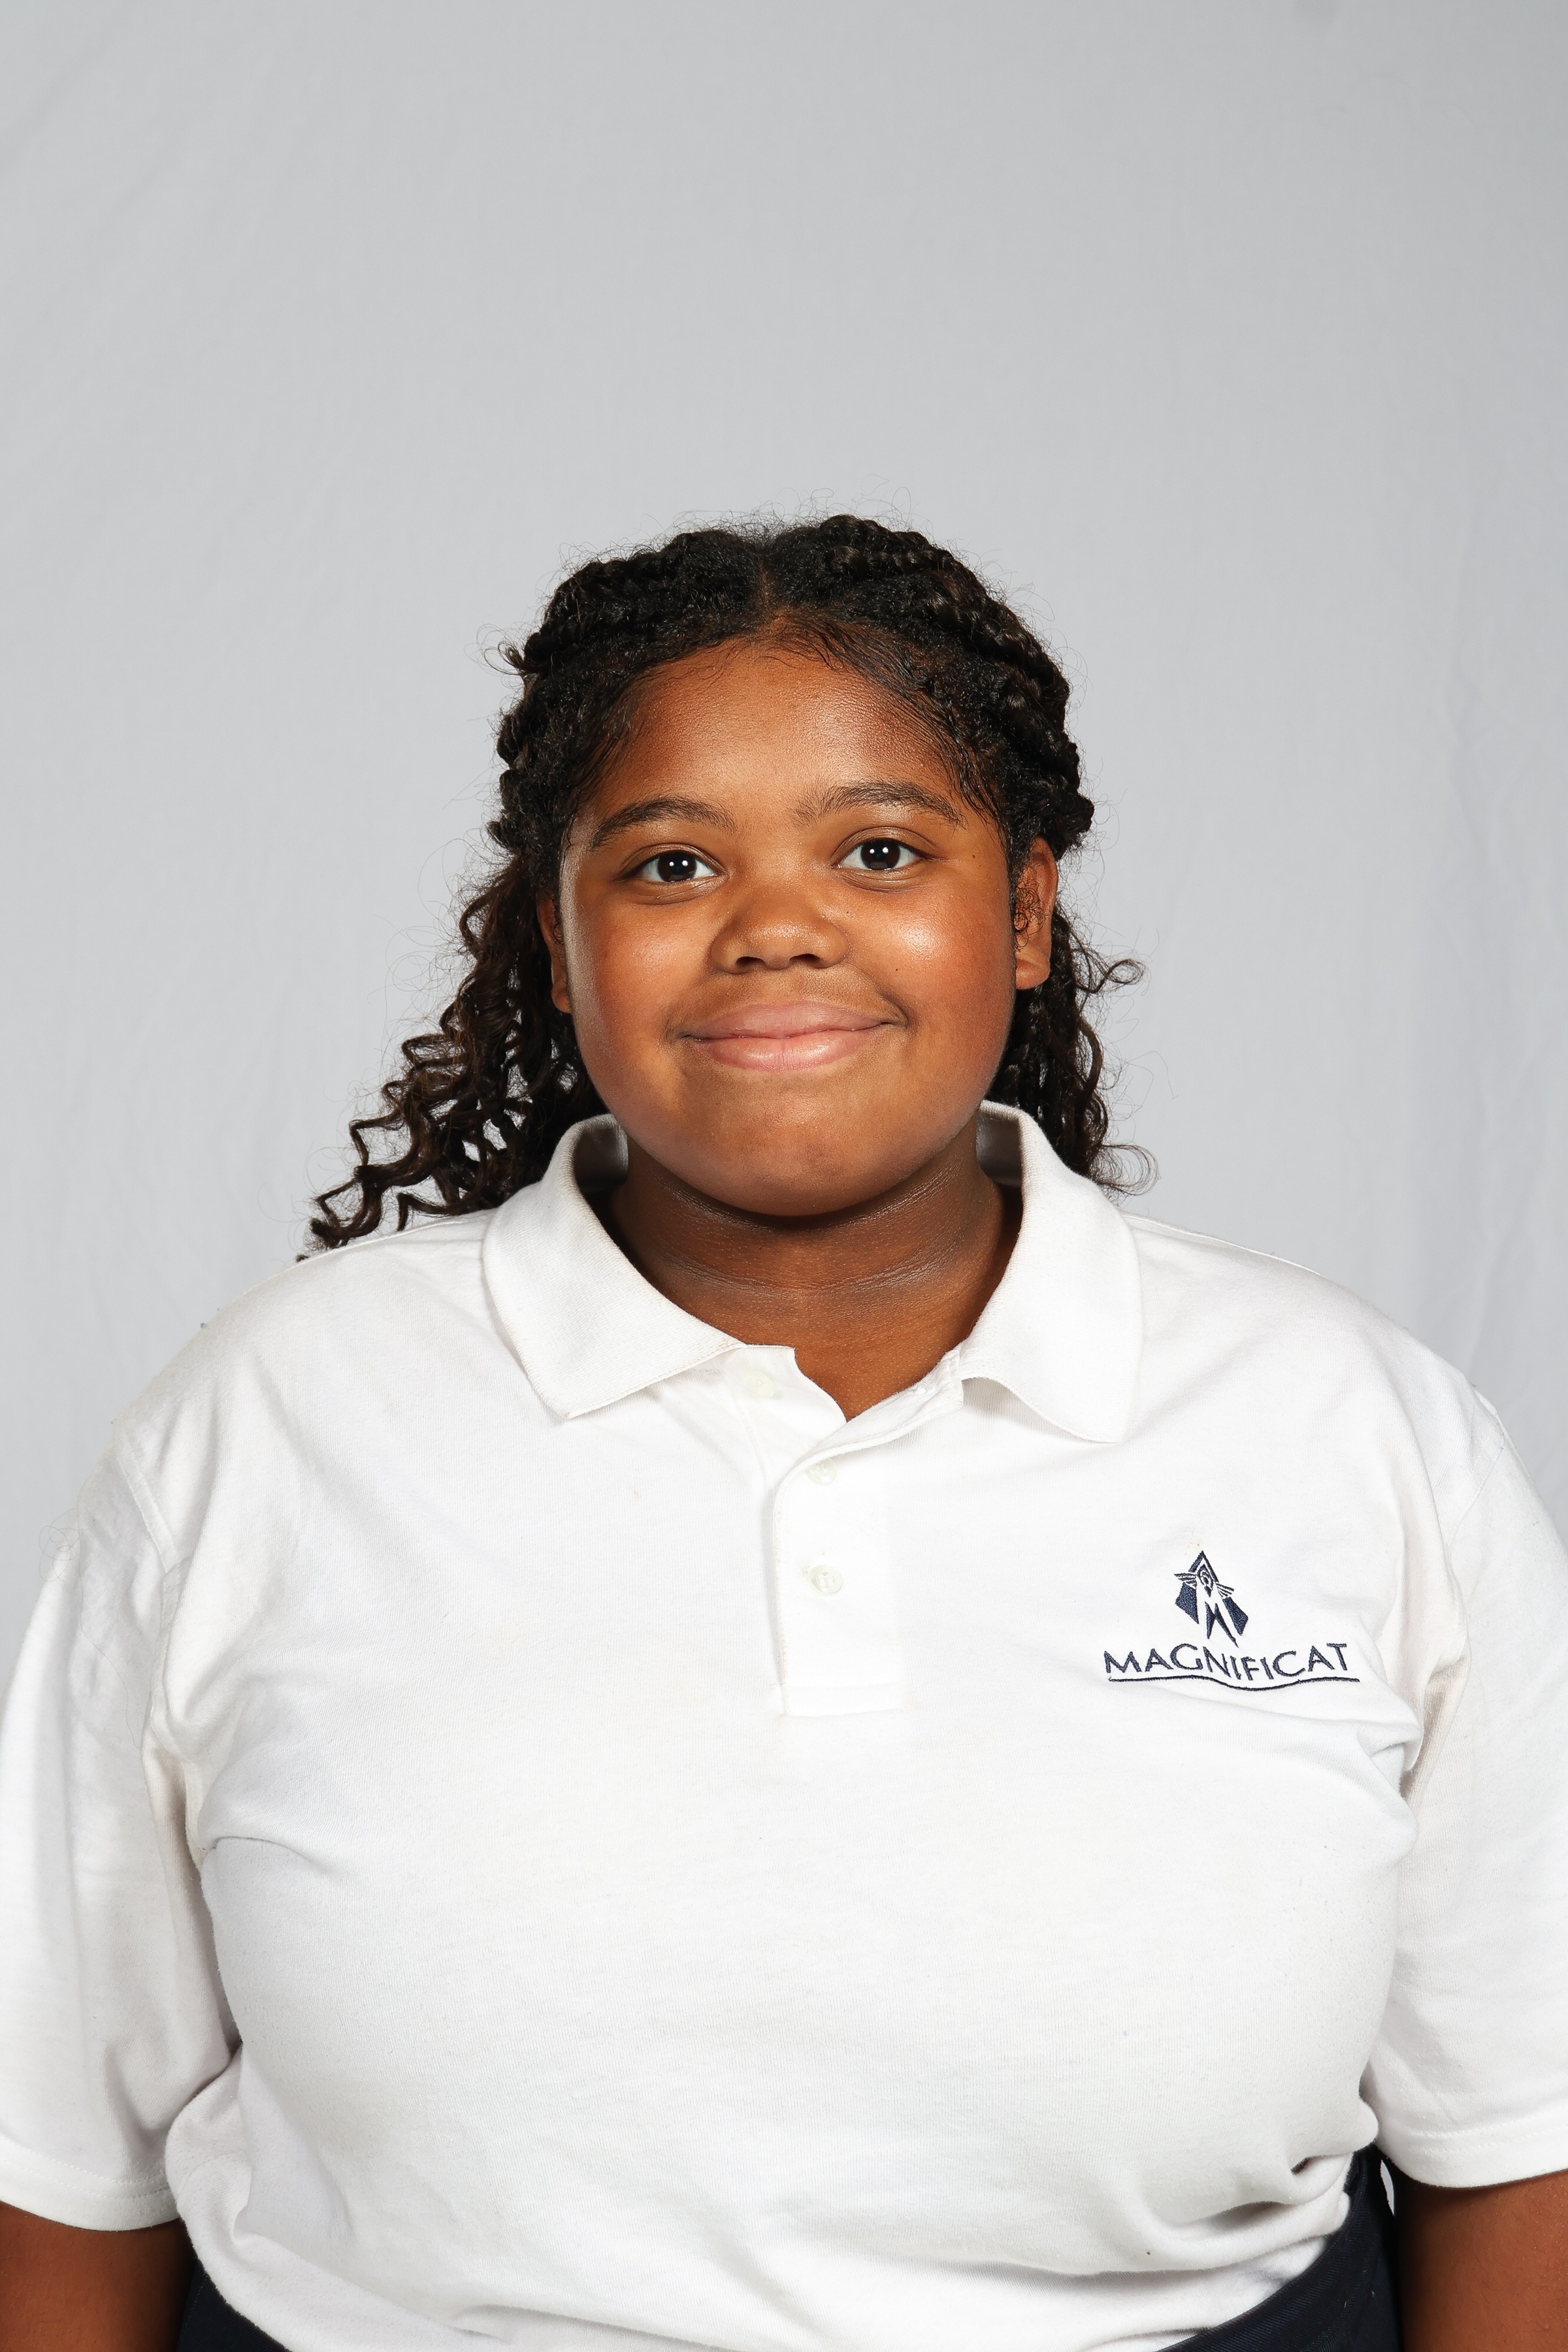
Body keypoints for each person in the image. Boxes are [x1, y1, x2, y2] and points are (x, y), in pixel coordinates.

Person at [0, 517, 1564, 2352]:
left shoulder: (1349, 1428)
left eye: (880, 849)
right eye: (672, 863)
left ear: (1026, 914)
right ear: (560, 944)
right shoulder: (264, 1427)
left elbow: (1520, 2147)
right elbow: (63, 2164)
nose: (776, 926)